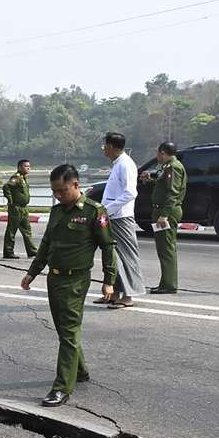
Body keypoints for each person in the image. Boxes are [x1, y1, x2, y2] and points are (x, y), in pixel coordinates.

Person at [21, 164, 116, 407]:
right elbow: (46, 245)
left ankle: (62, 387)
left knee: (70, 330)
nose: (58, 195)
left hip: (75, 280)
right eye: (54, 191)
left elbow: (108, 247)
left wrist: (109, 281)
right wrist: (32, 273)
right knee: (65, 330)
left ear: (76, 185)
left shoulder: (95, 212)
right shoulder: (57, 212)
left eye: (62, 190)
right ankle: (80, 371)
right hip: (54, 278)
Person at [99, 131, 144, 308]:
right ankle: (114, 293)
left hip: (120, 217)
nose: (103, 149)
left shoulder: (125, 164)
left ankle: (128, 296)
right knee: (112, 255)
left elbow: (130, 193)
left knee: (126, 256)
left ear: (111, 146)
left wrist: (108, 210)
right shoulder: (118, 164)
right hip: (112, 216)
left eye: (105, 145)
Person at [141, 142, 187, 294]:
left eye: (158, 153)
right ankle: (165, 282)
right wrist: (150, 180)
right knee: (164, 248)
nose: (157, 156)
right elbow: (163, 186)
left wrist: (164, 215)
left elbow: (172, 192)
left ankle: (169, 284)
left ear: (162, 153)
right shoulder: (167, 167)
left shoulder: (173, 167)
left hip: (167, 212)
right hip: (162, 210)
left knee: (166, 249)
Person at [2, 159, 38, 259]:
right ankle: (8, 252)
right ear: (20, 167)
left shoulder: (23, 178)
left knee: (27, 230)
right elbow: (6, 187)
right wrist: (10, 200)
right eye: (26, 166)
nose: (28, 168)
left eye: (29, 166)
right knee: (11, 230)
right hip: (16, 208)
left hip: (24, 208)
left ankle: (32, 251)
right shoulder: (16, 177)